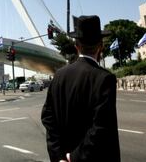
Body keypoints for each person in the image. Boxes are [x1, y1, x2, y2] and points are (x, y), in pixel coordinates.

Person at [41, 15, 121, 162]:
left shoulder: (58, 76)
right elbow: (101, 128)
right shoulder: (104, 78)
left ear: (76, 46)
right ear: (100, 46)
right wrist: (73, 157)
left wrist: (59, 156)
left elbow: (47, 118)